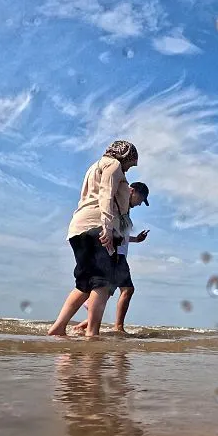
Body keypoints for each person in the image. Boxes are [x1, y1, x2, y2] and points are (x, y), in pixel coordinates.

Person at [48, 140, 138, 337]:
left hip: (78, 227)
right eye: (130, 164)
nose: (128, 170)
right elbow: (106, 194)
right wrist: (106, 227)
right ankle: (92, 333)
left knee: (85, 283)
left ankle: (58, 327)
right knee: (102, 283)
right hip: (97, 226)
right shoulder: (113, 165)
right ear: (124, 156)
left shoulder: (94, 166)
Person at [71, 182, 150, 335]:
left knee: (104, 292)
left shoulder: (124, 209)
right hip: (116, 254)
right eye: (141, 199)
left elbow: (122, 235)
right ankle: (118, 327)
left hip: (118, 253)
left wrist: (136, 239)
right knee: (127, 289)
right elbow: (109, 228)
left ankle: (83, 325)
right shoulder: (118, 204)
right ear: (132, 191)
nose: (140, 203)